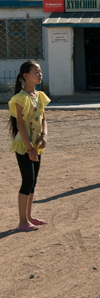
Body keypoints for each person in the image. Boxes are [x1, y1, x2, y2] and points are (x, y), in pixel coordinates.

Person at [8, 61, 50, 232]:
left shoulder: (39, 95)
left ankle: (30, 217)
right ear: (26, 76)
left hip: (37, 145)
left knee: (33, 182)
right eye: (36, 72)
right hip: (24, 145)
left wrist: (44, 136)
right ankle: (22, 222)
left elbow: (44, 119)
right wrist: (30, 148)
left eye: (40, 72)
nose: (40, 75)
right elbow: (20, 125)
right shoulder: (20, 98)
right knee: (27, 182)